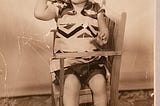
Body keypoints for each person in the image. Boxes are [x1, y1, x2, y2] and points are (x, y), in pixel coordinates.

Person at [34, 0, 109, 106]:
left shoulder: (96, 8)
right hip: (67, 64)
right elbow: (39, 13)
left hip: (92, 62)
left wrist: (102, 37)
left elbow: (103, 29)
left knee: (100, 84)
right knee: (71, 86)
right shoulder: (60, 7)